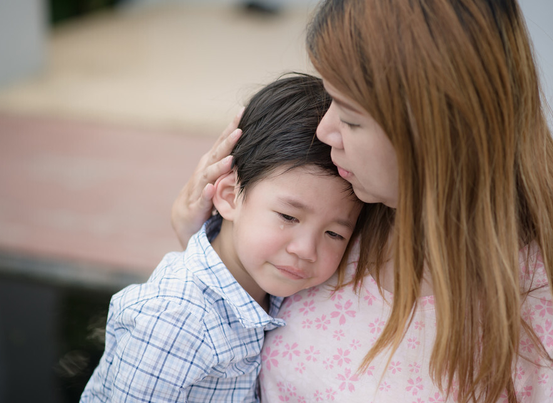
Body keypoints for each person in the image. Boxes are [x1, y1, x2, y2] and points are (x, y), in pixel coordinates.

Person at [172, 1, 553, 402]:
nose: (324, 132)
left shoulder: (546, 344)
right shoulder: (343, 216)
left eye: (349, 117)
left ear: (430, 134)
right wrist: (208, 245)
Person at [81, 74, 365, 402]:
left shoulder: (272, 290)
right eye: (288, 217)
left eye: (334, 233)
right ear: (229, 196)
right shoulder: (175, 321)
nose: (306, 250)